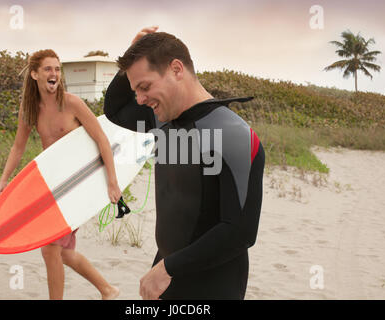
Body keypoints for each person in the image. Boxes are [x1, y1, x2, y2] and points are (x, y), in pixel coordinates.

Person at [104, 27, 265, 300]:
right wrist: (130, 62)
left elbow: (240, 232)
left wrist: (168, 268)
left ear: (177, 69)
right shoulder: (161, 119)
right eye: (135, 90)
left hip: (212, 285)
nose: (140, 99)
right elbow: (115, 110)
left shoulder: (234, 135)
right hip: (167, 274)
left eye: (144, 87)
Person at [0, 49, 120, 300]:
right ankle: (108, 290)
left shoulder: (72, 103)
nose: (54, 74)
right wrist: (4, 179)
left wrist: (112, 182)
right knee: (62, 253)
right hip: (53, 185)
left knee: (50, 246)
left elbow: (101, 139)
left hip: (77, 185)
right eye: (48, 69)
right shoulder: (30, 109)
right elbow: (18, 146)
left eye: (57, 69)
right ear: (34, 74)